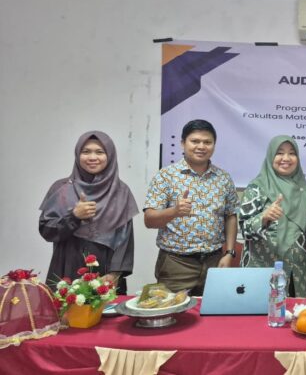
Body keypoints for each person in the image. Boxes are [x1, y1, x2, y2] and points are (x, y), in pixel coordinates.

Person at [144, 119, 239, 295]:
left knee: (213, 309)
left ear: (214, 145)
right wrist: (174, 211)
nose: (201, 146)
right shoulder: (166, 176)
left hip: (214, 261)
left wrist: (229, 253)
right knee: (174, 310)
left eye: (207, 142)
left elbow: (231, 216)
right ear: (183, 143)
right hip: (176, 264)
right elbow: (149, 220)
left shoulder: (223, 178)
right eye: (195, 141)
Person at [39, 131, 139, 293]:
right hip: (66, 268)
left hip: (106, 274)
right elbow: (46, 231)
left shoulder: (120, 192)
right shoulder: (62, 189)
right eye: (86, 152)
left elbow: (125, 239)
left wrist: (115, 273)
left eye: (99, 152)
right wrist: (74, 216)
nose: (92, 157)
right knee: (67, 308)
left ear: (110, 156)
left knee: (107, 309)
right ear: (78, 154)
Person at [239, 136, 306, 297]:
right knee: (265, 311)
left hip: (298, 273)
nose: (286, 158)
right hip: (264, 270)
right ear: (270, 156)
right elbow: (244, 230)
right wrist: (263, 217)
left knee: (296, 312)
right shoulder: (257, 188)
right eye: (279, 153)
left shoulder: (303, 190)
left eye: (292, 153)